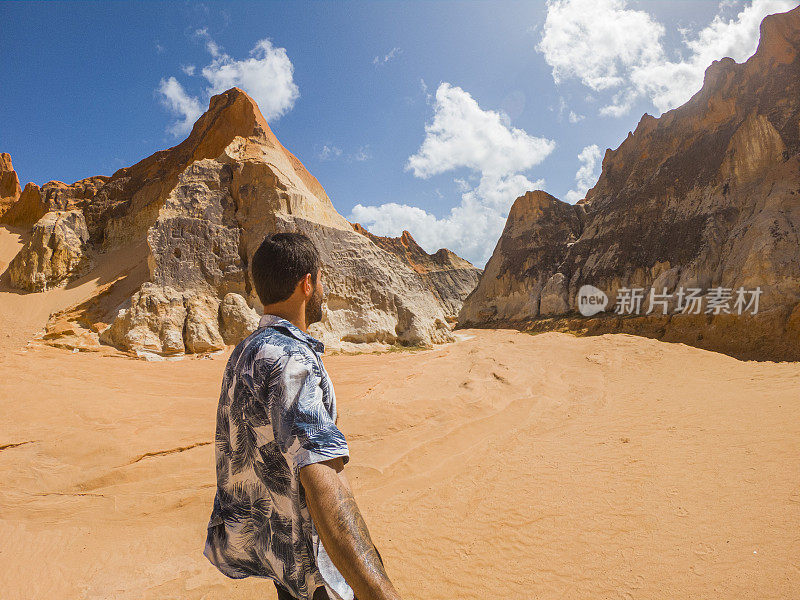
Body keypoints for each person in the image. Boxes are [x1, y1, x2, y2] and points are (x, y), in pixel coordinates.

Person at [203, 232, 403, 600]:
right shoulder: (291, 360)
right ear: (306, 284)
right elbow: (320, 476)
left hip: (279, 562)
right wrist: (379, 591)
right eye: (321, 280)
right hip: (313, 571)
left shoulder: (246, 352)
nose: (322, 289)